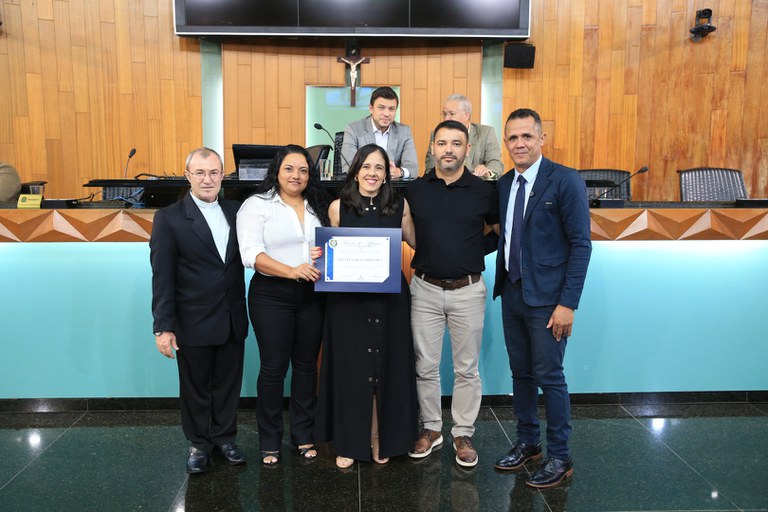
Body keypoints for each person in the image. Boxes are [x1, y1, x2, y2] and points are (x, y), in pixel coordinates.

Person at [492, 108, 592, 488]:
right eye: (513, 138)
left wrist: (568, 304)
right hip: (512, 294)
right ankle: (528, 442)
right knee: (521, 373)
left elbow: (581, 245)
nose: (519, 144)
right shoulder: (505, 184)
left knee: (550, 378)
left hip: (550, 302)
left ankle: (560, 456)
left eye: (527, 136)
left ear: (541, 139)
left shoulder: (565, 180)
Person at [315, 144, 419, 469]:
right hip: (348, 301)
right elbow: (331, 252)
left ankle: (379, 437)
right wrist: (319, 256)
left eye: (379, 168)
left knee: (388, 367)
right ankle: (350, 441)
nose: (372, 173)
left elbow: (416, 241)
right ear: (356, 171)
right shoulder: (337, 207)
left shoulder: (399, 205)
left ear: (387, 174)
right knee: (351, 368)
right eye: (366, 167)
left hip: (390, 299)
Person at [405, 120, 499, 468]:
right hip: (425, 289)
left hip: (468, 290)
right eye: (442, 143)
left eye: (456, 144)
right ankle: (431, 429)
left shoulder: (484, 190)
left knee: (467, 369)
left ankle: (463, 433)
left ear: (467, 149)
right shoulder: (415, 190)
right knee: (425, 366)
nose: (448, 150)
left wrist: (471, 251)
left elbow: (499, 232)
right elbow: (408, 231)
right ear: (432, 147)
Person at [149, 147, 248, 474]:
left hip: (232, 316)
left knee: (228, 385)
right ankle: (199, 444)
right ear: (187, 176)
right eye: (200, 173)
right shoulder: (169, 218)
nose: (208, 179)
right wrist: (163, 326)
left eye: (214, 172)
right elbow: (162, 276)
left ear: (223, 176)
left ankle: (225, 438)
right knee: (195, 387)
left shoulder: (237, 211)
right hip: (193, 319)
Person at [236, 144, 331, 466]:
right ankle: (269, 441)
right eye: (289, 168)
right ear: (276, 171)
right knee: (274, 369)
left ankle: (303, 435)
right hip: (271, 295)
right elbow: (251, 254)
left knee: (306, 367)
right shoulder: (257, 205)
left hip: (312, 295)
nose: (296, 175)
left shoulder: (319, 205)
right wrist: (291, 270)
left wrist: (323, 255)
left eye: (303, 170)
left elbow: (329, 245)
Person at [341, 86, 419, 179]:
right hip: (363, 185)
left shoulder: (404, 132)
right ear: (371, 108)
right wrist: (375, 172)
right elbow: (349, 165)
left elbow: (413, 169)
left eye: (391, 109)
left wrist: (399, 172)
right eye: (381, 108)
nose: (386, 114)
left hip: (393, 186)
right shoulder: (353, 130)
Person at [424, 95, 503, 180]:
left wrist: (487, 172)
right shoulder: (436, 134)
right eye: (444, 114)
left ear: (466, 116)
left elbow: (496, 163)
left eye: (451, 114)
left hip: (476, 184)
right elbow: (430, 169)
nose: (446, 119)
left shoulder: (485, 132)